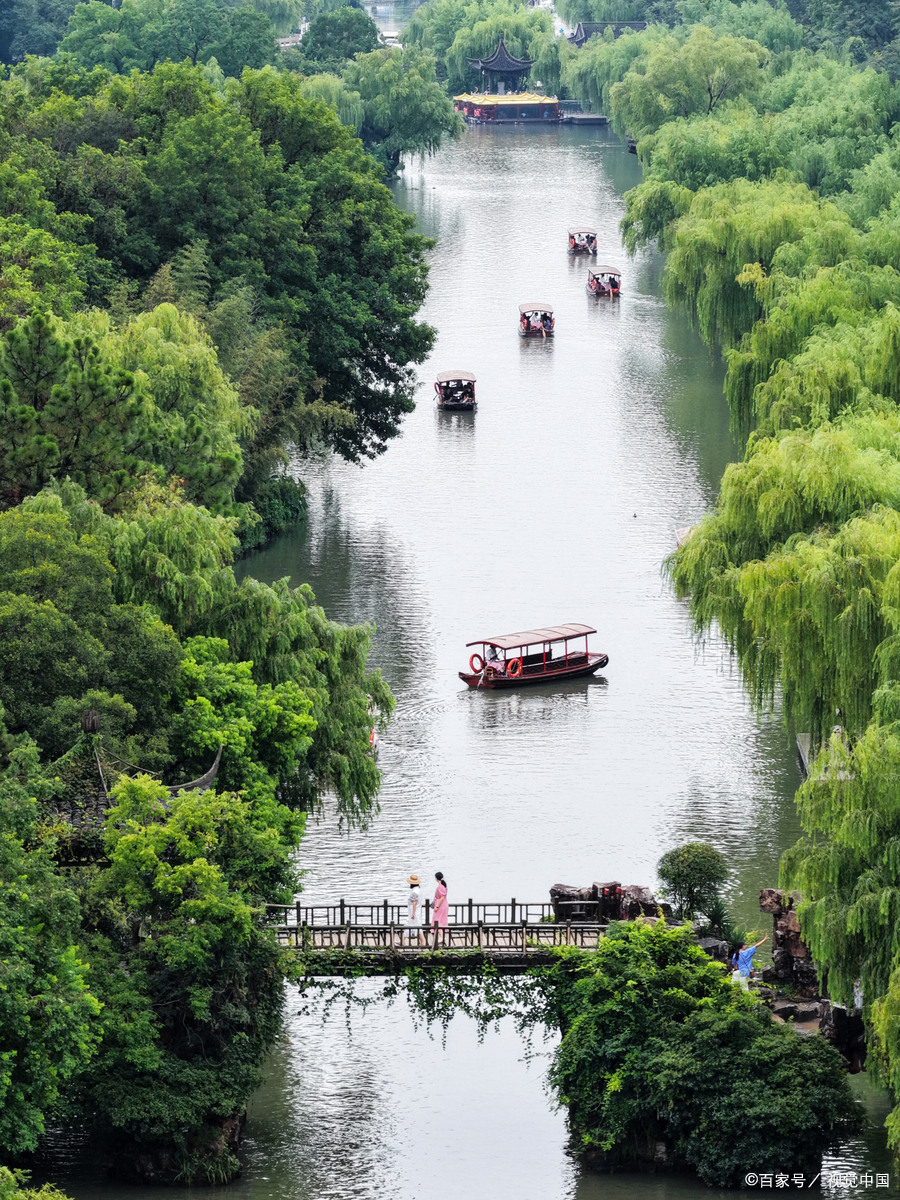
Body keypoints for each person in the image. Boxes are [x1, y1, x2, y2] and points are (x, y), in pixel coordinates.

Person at [404, 874, 424, 947]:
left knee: (417, 927)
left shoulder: (414, 892)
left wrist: (413, 913)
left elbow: (414, 903)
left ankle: (422, 943)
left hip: (414, 913)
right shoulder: (419, 890)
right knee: (409, 925)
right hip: (416, 912)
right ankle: (403, 940)